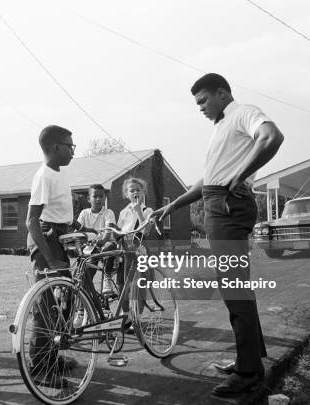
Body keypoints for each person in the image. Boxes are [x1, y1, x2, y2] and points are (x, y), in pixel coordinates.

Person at [150, 73, 284, 397]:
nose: (200, 108)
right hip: (216, 204)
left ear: (222, 93)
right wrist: (173, 206)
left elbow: (272, 137)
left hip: (228, 207)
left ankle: (249, 372)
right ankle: (248, 358)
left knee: (234, 290)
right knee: (237, 289)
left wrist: (237, 177)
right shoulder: (221, 128)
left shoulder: (243, 113)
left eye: (203, 101)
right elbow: (207, 179)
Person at [26, 124, 80, 388]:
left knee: (65, 303)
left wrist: (79, 227)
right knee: (45, 307)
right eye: (70, 146)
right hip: (45, 244)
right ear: (56, 147)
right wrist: (49, 259)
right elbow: (31, 222)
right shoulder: (44, 176)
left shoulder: (58, 173)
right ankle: (38, 368)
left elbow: (59, 212)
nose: (73, 151)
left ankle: (51, 357)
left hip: (59, 238)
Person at [115, 177, 153, 326]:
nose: (135, 192)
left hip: (140, 249)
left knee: (140, 283)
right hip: (125, 249)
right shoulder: (123, 212)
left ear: (143, 192)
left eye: (138, 189)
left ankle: (138, 315)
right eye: (132, 190)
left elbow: (147, 231)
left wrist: (138, 210)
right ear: (127, 194)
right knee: (123, 283)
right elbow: (118, 230)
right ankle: (126, 315)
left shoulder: (147, 210)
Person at [76, 184, 116, 293]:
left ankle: (107, 277)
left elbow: (108, 231)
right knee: (84, 273)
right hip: (90, 246)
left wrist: (102, 241)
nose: (98, 199)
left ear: (105, 198)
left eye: (101, 196)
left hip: (106, 244)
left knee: (108, 247)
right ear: (89, 199)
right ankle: (85, 301)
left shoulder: (108, 213)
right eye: (95, 196)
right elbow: (78, 230)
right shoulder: (84, 213)